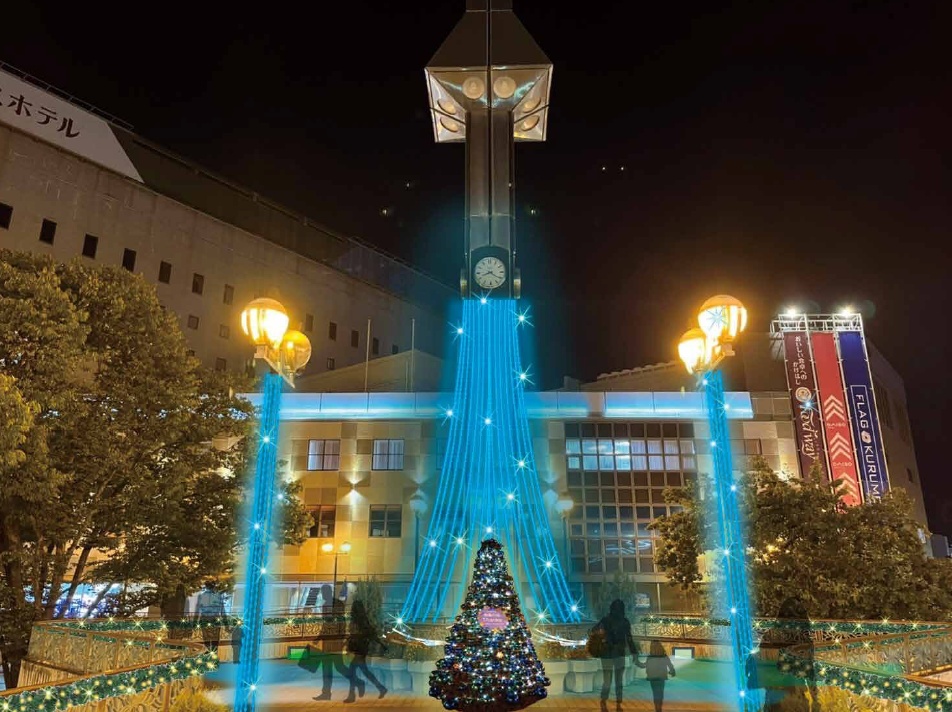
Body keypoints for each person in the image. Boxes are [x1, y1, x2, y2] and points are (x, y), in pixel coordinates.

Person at [592, 599, 643, 712]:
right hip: (619, 654)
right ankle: (618, 704)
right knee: (619, 680)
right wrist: (634, 653)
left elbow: (593, 630)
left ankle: (603, 702)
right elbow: (629, 639)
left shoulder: (605, 620)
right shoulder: (625, 621)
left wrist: (603, 637)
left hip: (606, 654)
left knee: (607, 680)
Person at [344, 599, 388, 703]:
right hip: (362, 649)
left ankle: (352, 695)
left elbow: (357, 635)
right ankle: (381, 688)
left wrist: (349, 643)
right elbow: (371, 634)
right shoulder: (363, 620)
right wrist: (382, 645)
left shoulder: (357, 621)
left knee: (352, 672)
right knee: (364, 671)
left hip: (359, 649)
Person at [312, 585, 352, 701]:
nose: (323, 594)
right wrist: (318, 638)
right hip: (327, 642)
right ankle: (326, 693)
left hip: (336, 641)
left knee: (339, 667)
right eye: (322, 592)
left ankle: (354, 680)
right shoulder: (324, 605)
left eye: (325, 592)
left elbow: (342, 622)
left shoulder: (338, 604)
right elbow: (325, 624)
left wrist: (341, 637)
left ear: (329, 592)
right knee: (326, 667)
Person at [644, 641, 676, 712]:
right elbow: (670, 665)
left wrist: (636, 662)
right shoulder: (664, 656)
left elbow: (644, 665)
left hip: (652, 678)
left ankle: (657, 709)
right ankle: (659, 709)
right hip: (661, 677)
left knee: (655, 694)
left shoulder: (650, 657)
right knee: (660, 694)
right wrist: (672, 672)